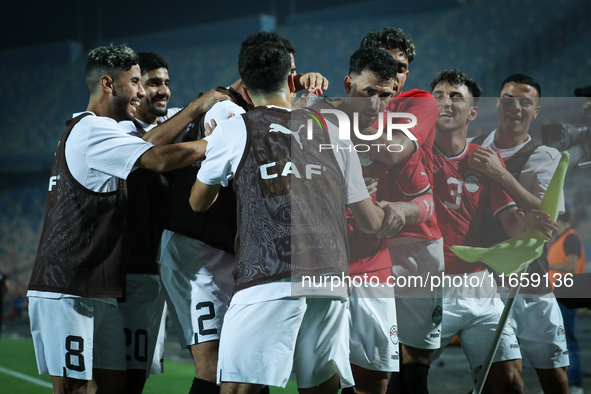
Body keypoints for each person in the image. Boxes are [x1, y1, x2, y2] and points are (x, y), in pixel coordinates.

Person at [189, 41, 391, 394]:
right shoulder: (334, 132)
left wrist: (218, 155)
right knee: (321, 387)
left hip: (270, 274)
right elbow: (371, 221)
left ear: (245, 89)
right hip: (330, 278)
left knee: (238, 387)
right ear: (290, 79)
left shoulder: (236, 128)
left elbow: (198, 202)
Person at [27, 44, 216, 394]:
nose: (142, 91)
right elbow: (159, 158)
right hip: (67, 287)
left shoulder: (102, 131)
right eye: (134, 82)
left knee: (119, 386)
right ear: (108, 84)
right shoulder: (91, 130)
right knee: (75, 389)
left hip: (101, 288)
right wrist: (218, 143)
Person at [155, 31, 328, 394]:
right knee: (217, 363)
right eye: (289, 72)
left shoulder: (250, 110)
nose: (293, 79)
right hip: (197, 254)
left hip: (230, 253)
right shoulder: (228, 110)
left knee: (248, 360)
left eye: (294, 71)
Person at [429, 69, 560, 393]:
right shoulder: (413, 152)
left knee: (510, 382)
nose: (445, 102)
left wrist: (526, 222)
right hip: (426, 285)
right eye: (439, 96)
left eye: (455, 96)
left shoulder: (485, 159)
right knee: (403, 378)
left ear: (473, 111)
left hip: (480, 287)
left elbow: (512, 222)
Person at [309, 47, 432, 394]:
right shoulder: (312, 122)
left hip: (371, 271)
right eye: (368, 93)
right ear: (348, 84)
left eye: (385, 95)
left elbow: (426, 201)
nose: (376, 105)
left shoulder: (393, 141)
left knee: (372, 383)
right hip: (319, 270)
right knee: (320, 382)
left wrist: (402, 210)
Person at [468, 73, 570, 394]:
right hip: (486, 284)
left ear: (535, 111)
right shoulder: (474, 148)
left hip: (533, 281)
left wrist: (502, 175)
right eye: (509, 99)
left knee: (555, 380)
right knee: (506, 380)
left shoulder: (546, 156)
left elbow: (548, 216)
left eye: (526, 102)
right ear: (498, 103)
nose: (516, 106)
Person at [357, 27, 443, 394]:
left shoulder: (419, 102)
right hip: (364, 243)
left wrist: (343, 119)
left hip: (416, 242)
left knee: (414, 364)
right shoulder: (356, 103)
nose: (395, 73)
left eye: (402, 67)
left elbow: (393, 152)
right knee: (365, 359)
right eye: (387, 64)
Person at [549, 211, 586, 394]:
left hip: (567, 295)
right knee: (558, 341)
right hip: (558, 295)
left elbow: (571, 266)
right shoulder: (561, 238)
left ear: (559, 219)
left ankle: (575, 385)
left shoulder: (571, 238)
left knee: (568, 341)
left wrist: (546, 265)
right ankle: (561, 386)